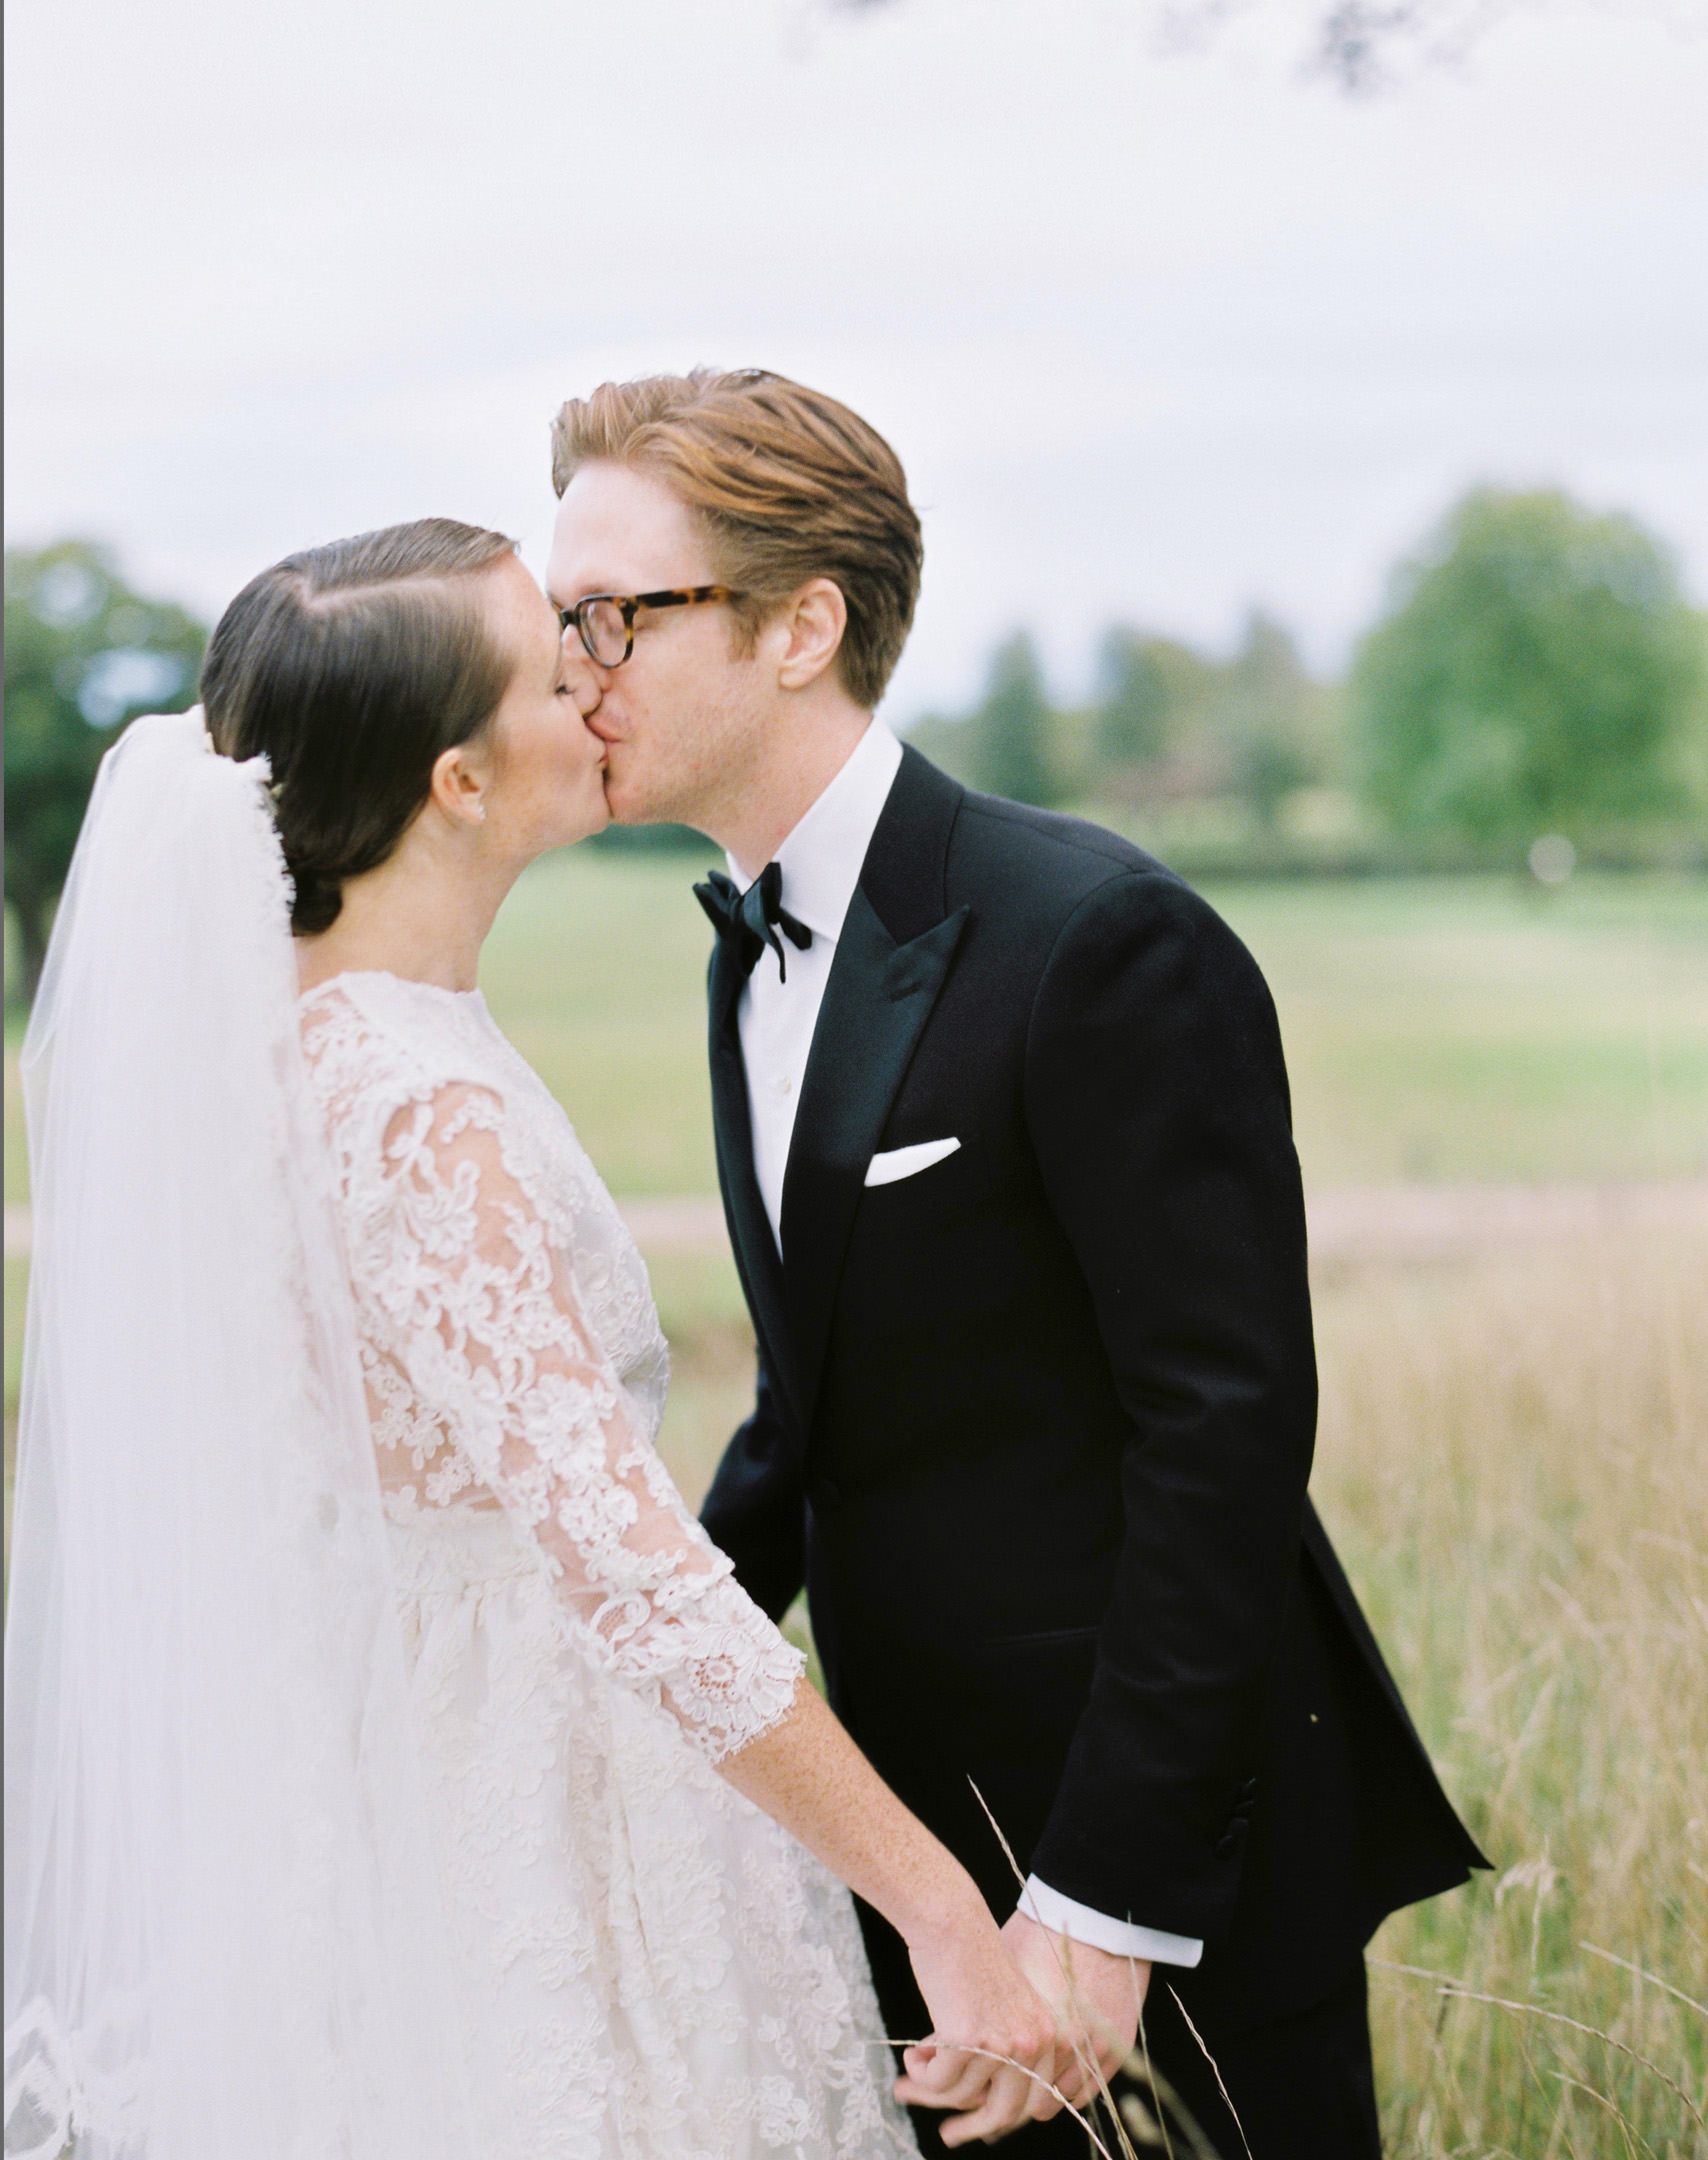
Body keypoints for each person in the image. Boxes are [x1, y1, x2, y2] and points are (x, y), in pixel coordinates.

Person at [2, 519, 1076, 2160]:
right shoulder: (414, 1112)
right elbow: (633, 1572)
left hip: (409, 1757)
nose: (598, 673)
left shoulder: (327, 1045)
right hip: (528, 1816)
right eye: (550, 657)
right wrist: (937, 1904)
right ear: (458, 783)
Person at [545, 371, 1490, 2158]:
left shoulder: (1098, 938)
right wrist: (631, 1676)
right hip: (915, 1855)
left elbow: (1221, 1437)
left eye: (616, 613)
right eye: (557, 613)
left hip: (1152, 1863)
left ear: (798, 625)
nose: (572, 661)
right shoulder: (749, 958)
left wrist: (1104, 1903)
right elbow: (822, 1409)